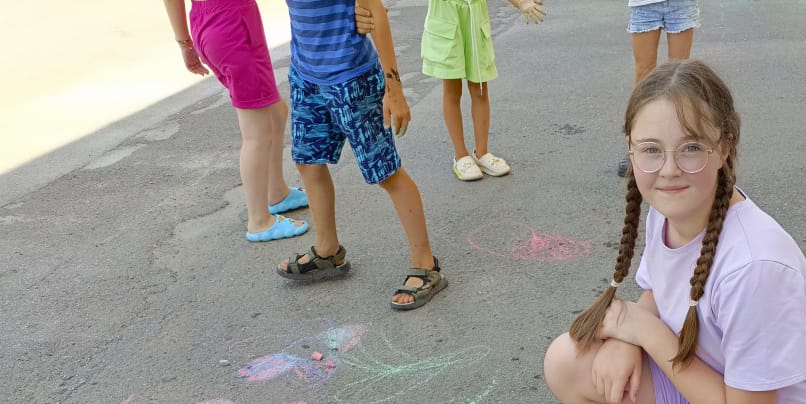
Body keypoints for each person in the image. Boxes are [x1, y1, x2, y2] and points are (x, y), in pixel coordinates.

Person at [544, 60, 806, 404]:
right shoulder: (672, 209)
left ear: (724, 147)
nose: (669, 170)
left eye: (692, 148)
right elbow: (661, 288)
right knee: (565, 361)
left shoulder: (755, 267)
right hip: (709, 372)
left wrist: (647, 336)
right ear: (631, 150)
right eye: (652, 151)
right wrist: (626, 341)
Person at [279, 0, 447, 310]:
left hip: (352, 80)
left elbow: (377, 13)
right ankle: (328, 251)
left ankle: (426, 264)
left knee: (386, 172)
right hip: (306, 78)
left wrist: (393, 90)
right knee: (307, 163)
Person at [163, 0, 310, 242]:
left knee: (275, 111)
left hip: (211, 22)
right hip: (233, 25)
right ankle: (259, 220)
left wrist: (185, 43)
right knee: (257, 132)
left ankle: (277, 192)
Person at [355, 0, 545, 182]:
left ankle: (482, 152)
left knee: (480, 90)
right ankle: (460, 156)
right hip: (447, 22)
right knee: (453, 92)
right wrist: (376, 6)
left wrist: (521, 2)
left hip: (474, 20)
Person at [617, 0, 700, 177]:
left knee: (680, 73)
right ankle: (637, 145)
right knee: (644, 74)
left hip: (681, 4)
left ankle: (680, 143)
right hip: (644, 4)